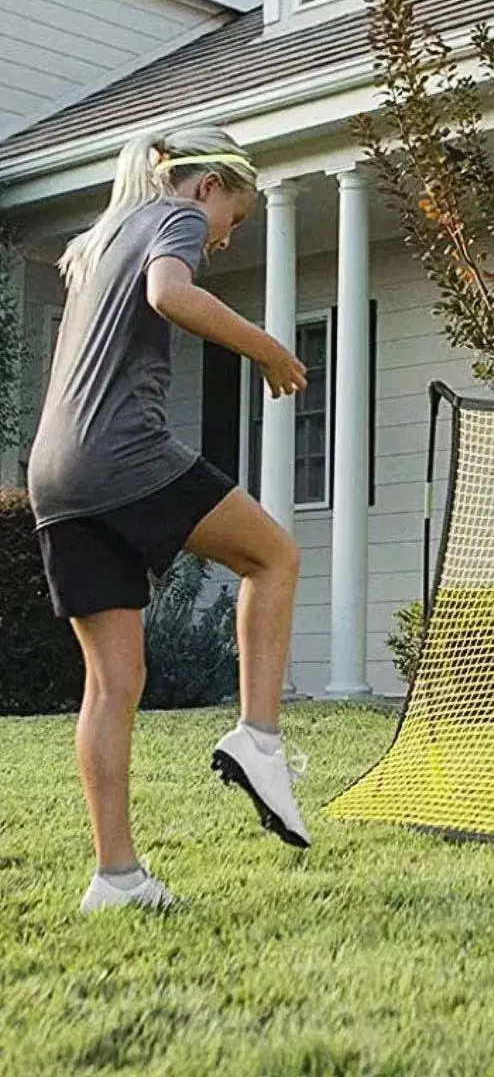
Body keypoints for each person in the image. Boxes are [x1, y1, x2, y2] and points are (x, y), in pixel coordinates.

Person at [26, 127, 312, 914]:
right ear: (208, 185)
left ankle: (115, 878)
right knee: (274, 559)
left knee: (113, 683)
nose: (226, 237)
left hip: (55, 474)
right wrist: (266, 349)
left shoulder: (102, 236)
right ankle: (257, 738)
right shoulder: (173, 214)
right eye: (237, 218)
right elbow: (170, 294)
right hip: (123, 455)